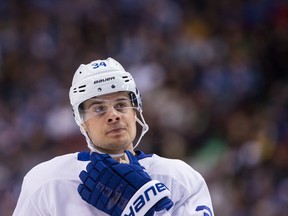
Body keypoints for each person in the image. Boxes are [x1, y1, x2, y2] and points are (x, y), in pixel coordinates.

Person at [13, 57, 214, 216]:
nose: (114, 115)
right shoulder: (46, 181)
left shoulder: (180, 178)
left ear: (136, 111)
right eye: (99, 108)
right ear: (81, 121)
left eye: (121, 105)